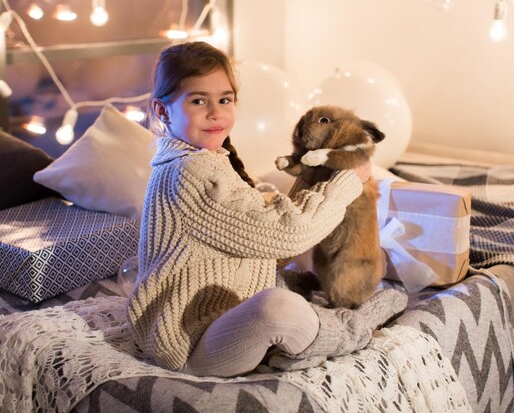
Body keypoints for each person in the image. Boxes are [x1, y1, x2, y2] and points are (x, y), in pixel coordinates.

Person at [125, 41, 407, 377]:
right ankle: (347, 330)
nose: (216, 112)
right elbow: (287, 234)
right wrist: (345, 184)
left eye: (225, 99)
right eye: (198, 100)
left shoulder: (197, 160)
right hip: (194, 343)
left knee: (289, 280)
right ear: (162, 111)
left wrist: (312, 179)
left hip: (213, 314)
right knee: (278, 308)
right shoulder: (191, 172)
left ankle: (297, 336)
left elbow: (258, 230)